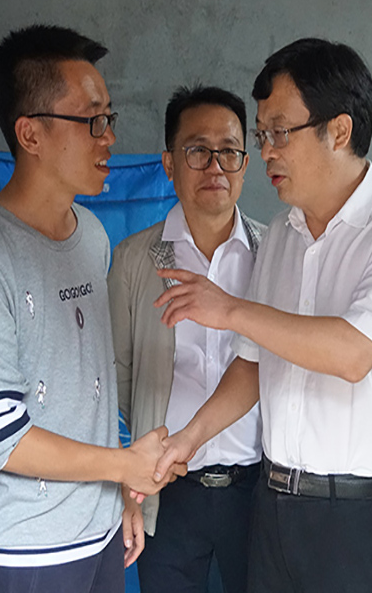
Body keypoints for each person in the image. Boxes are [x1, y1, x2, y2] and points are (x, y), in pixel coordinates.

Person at [153, 38, 372, 593]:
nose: (266, 151)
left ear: (339, 131)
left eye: (279, 132)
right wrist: (189, 439)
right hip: (274, 508)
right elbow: (253, 364)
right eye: (262, 134)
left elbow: (353, 354)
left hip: (359, 517)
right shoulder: (282, 236)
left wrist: (231, 309)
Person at [0, 25, 180, 593]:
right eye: (91, 120)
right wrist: (124, 466)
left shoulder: (90, 234)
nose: (108, 137)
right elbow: (0, 438)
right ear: (31, 134)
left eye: (109, 118)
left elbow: (90, 391)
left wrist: (120, 493)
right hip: (23, 554)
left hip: (99, 536)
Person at [109, 85, 264, 593]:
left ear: (245, 164)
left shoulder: (273, 254)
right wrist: (131, 482)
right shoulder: (135, 259)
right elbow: (117, 378)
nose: (215, 166)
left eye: (229, 151)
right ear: (169, 163)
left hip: (258, 488)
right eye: (198, 150)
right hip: (169, 490)